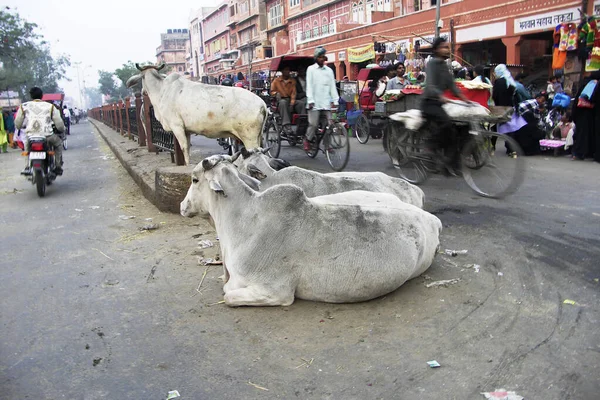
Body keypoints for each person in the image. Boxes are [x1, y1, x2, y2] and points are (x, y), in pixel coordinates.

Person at [421, 37, 470, 174]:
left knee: (460, 130)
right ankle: (430, 145)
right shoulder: (431, 64)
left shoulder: (445, 66)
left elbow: (452, 86)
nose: (447, 50)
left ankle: (452, 163)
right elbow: (430, 85)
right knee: (446, 124)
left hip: (439, 103)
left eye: (447, 47)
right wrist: (440, 95)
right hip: (429, 102)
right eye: (443, 47)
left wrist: (464, 99)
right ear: (436, 49)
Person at [15, 87, 66, 174]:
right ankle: (58, 166)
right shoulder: (50, 107)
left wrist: (19, 126)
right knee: (59, 144)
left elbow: (18, 122)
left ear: (31, 96)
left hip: (31, 136)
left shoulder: (24, 106)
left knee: (27, 149)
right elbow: (59, 122)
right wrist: (62, 129)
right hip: (47, 135)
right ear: (42, 96)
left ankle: (27, 166)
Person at [305, 46, 338, 150]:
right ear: (316, 58)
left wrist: (335, 100)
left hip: (326, 102)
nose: (322, 59)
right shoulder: (310, 69)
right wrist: (310, 100)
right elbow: (309, 86)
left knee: (329, 125)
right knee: (314, 124)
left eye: (323, 57)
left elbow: (332, 86)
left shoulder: (329, 71)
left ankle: (327, 145)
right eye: (320, 57)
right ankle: (307, 139)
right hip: (314, 103)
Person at [571, 71, 600, 161]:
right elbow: (593, 99)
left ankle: (580, 153)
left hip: (580, 112)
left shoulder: (585, 83)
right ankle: (582, 153)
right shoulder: (593, 84)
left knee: (581, 133)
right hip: (588, 113)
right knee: (585, 134)